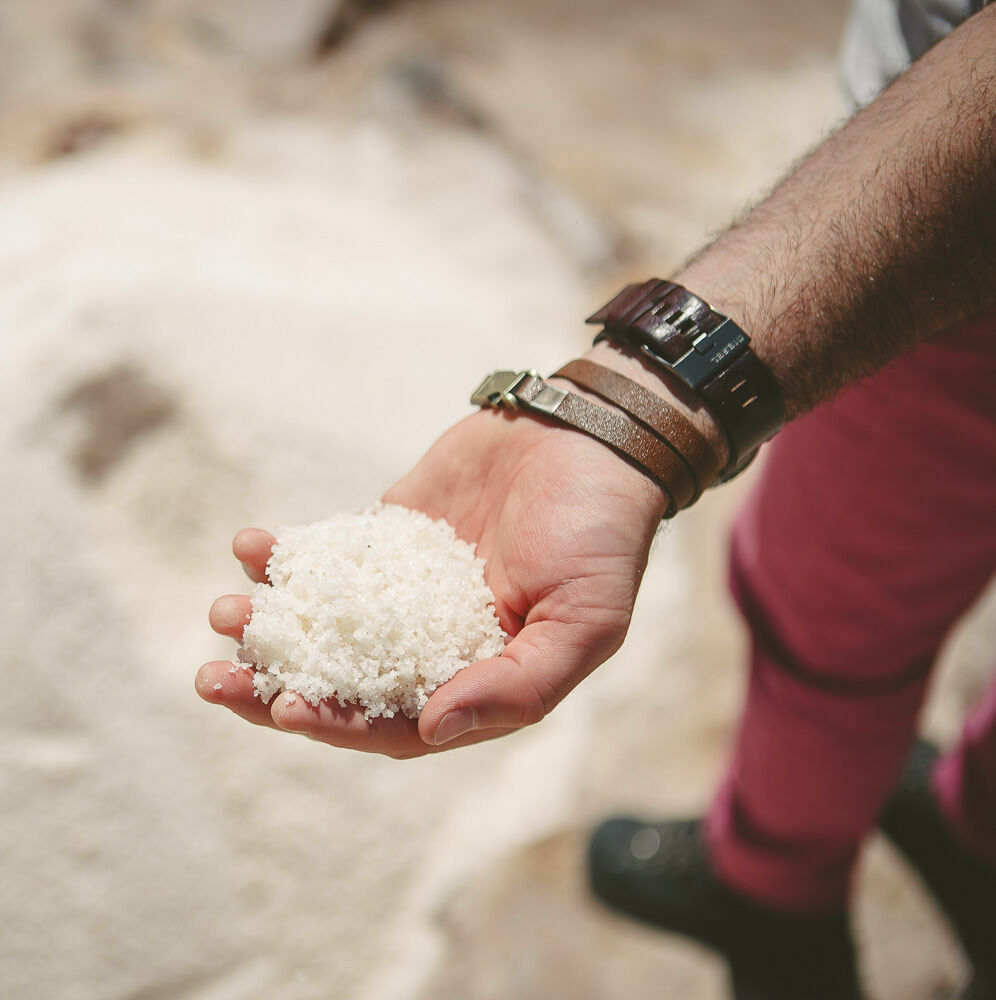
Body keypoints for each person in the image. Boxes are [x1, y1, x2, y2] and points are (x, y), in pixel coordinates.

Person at [195, 3, 996, 997]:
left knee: (832, 611)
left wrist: (645, 403)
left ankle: (772, 892)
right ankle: (978, 828)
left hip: (952, 266)